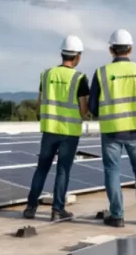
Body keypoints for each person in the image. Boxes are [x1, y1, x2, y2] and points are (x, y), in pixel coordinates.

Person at [89, 28, 136, 228]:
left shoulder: (101, 73)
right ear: (130, 49)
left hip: (111, 131)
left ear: (111, 50)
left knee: (112, 172)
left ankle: (117, 216)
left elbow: (92, 107)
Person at [23, 35, 90, 221]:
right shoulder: (79, 78)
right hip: (69, 132)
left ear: (62, 54)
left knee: (42, 168)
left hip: (49, 129)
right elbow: (83, 109)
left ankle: (30, 208)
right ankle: (57, 210)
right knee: (63, 170)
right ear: (77, 56)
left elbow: (39, 104)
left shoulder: (46, 75)